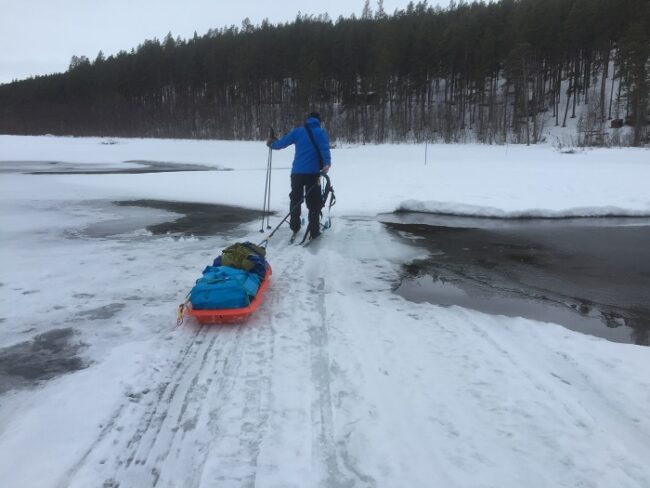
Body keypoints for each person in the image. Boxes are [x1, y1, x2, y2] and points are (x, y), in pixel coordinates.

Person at [266, 112, 331, 240]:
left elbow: (283, 143)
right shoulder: (320, 133)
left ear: (307, 120)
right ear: (318, 121)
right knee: (313, 202)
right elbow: (324, 149)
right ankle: (314, 230)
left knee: (295, 199)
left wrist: (272, 144)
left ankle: (295, 226)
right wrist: (327, 164)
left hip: (297, 173)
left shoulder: (298, 131)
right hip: (313, 174)